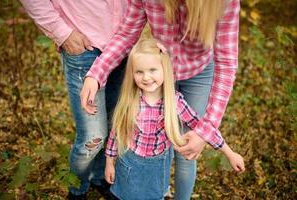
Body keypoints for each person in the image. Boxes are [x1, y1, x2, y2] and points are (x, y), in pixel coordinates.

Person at [80, 0, 241, 199]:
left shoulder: (223, 3)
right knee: (163, 138)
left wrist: (206, 132)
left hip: (199, 73)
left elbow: (226, 62)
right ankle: (158, 190)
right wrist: (96, 73)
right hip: (160, 72)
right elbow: (127, 34)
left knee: (187, 151)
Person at [103, 38, 244, 200]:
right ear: (132, 74)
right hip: (129, 163)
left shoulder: (174, 101)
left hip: (157, 168)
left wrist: (229, 153)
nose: (146, 77)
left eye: (152, 70)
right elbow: (116, 133)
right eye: (139, 72)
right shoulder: (130, 101)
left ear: (165, 69)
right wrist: (109, 162)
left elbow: (202, 128)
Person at [19, 0, 126, 199]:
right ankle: (77, 190)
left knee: (114, 122)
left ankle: (99, 177)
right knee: (93, 137)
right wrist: (62, 33)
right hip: (86, 45)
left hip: (123, 43)